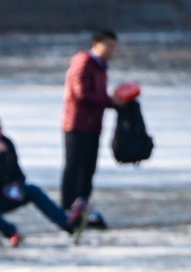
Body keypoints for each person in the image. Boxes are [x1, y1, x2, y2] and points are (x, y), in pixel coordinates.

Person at [0, 116, 80, 247]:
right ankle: (11, 232)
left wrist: (17, 186)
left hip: (2, 197)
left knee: (32, 190)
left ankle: (67, 224)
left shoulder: (6, 144)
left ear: (0, 129)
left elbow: (18, 174)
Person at [61, 29, 122, 225]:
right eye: (109, 46)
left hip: (93, 125)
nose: (112, 51)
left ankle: (82, 205)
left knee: (88, 168)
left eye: (114, 47)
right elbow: (81, 93)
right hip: (77, 124)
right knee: (74, 167)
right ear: (96, 44)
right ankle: (67, 208)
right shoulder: (83, 62)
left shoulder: (101, 66)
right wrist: (110, 100)